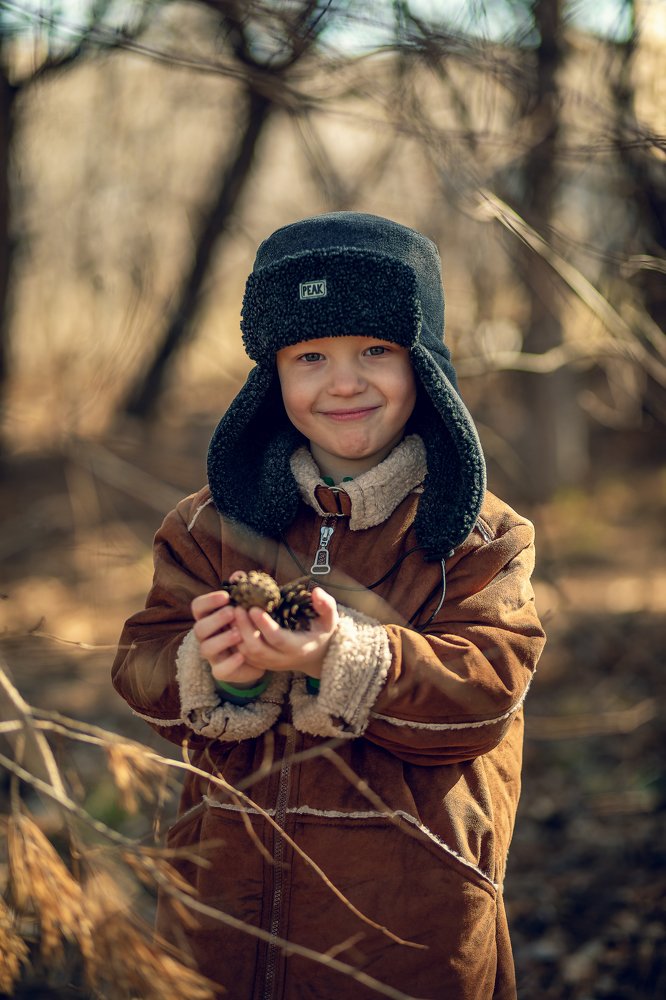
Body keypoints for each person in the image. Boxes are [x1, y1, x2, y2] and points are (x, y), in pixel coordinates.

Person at [112, 211, 546, 1000]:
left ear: (425, 365)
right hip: (224, 921)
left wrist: (339, 658)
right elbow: (140, 661)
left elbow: (483, 694)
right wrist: (213, 668)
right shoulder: (207, 526)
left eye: (374, 351)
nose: (343, 382)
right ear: (271, 373)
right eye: (310, 355)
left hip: (408, 932)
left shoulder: (481, 537)